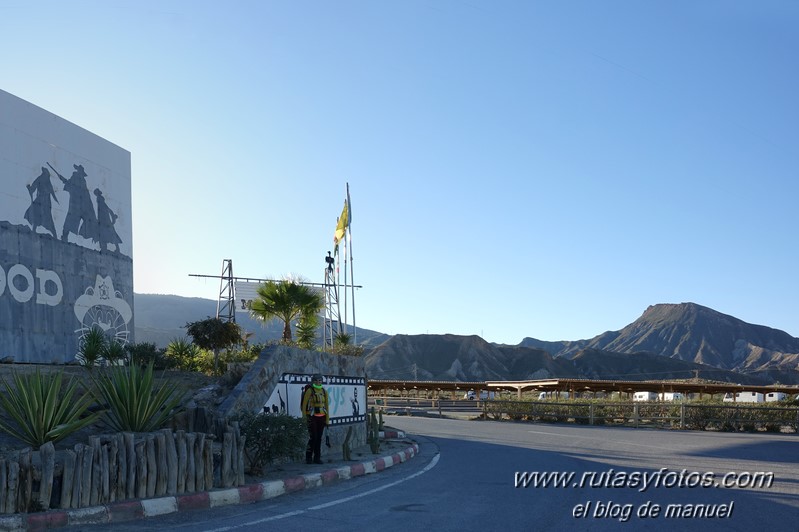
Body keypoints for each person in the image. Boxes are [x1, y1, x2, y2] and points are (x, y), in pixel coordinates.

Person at [301, 374, 329, 464]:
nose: (318, 382)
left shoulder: (324, 391)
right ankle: (308, 457)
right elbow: (304, 405)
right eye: (316, 380)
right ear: (313, 381)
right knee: (313, 437)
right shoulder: (310, 391)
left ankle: (317, 458)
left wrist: (327, 419)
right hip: (312, 416)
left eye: (320, 380)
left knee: (319, 438)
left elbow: (327, 406)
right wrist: (304, 418)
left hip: (322, 417)